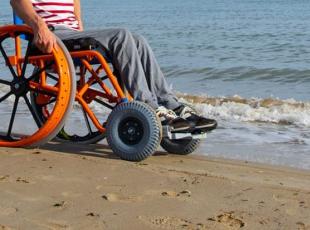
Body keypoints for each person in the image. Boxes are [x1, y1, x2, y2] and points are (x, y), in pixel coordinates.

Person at [10, 0, 217, 133]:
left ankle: (170, 104)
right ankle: (149, 106)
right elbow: (17, 1)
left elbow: (75, 11)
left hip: (72, 36)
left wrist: (83, 33)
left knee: (138, 40)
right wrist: (39, 26)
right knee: (122, 35)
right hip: (51, 35)